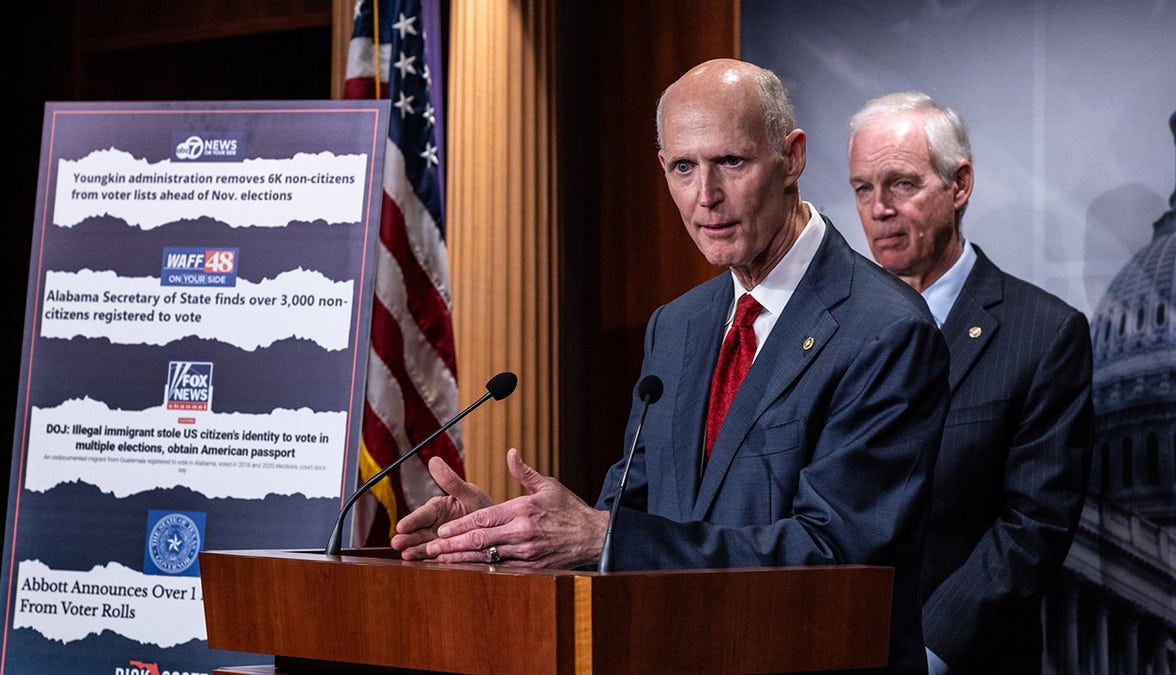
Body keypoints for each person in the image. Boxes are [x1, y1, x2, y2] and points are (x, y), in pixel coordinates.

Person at [392, 59, 950, 674]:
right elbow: (628, 515)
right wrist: (510, 534)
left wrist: (603, 537)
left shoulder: (886, 330)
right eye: (684, 167)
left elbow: (837, 553)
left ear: (791, 158)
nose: (705, 197)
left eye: (731, 163)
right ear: (664, 169)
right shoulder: (677, 327)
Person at [847, 92, 1094, 675]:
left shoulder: (1046, 333)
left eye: (901, 184)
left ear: (959, 186)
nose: (878, 209)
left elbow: (1033, 526)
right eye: (862, 187)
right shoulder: (831, 329)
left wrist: (923, 653)